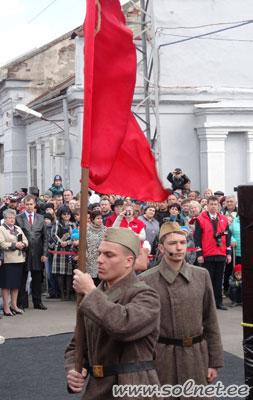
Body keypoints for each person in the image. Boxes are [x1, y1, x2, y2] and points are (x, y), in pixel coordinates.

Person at [64, 227, 161, 399]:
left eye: (109, 255)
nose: (100, 260)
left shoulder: (146, 295)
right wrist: (74, 369)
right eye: (100, 253)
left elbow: (123, 326)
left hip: (134, 389)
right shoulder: (93, 296)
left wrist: (91, 293)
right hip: (97, 389)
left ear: (128, 261)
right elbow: (77, 344)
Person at [140, 222, 224, 390]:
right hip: (162, 360)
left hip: (196, 358)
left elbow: (210, 321)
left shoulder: (201, 275)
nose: (179, 248)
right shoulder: (146, 280)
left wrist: (214, 361)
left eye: (182, 243)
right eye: (172, 243)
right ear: (162, 248)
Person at [195, 196, 232, 310]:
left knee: (218, 279)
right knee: (208, 280)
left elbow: (228, 237)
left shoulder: (224, 219)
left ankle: (218, 302)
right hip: (207, 253)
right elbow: (197, 237)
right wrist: (199, 254)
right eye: (211, 204)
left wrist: (228, 252)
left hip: (220, 253)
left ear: (218, 205)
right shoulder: (200, 219)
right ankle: (208, 304)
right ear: (207, 205)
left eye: (215, 204)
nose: (213, 206)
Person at [16, 195, 48, 310]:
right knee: (22, 279)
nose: (29, 207)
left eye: (31, 204)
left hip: (38, 253)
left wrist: (45, 254)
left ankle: (37, 302)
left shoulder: (40, 218)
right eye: (27, 204)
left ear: (34, 204)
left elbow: (45, 238)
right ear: (24, 205)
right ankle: (21, 302)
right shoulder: (18, 218)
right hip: (23, 253)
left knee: (37, 279)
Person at [0, 209, 28, 315]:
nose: (12, 219)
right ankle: (6, 307)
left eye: (13, 217)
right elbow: (2, 243)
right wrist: (14, 245)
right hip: (8, 260)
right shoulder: (1, 229)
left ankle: (14, 305)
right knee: (6, 285)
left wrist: (23, 244)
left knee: (16, 284)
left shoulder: (18, 228)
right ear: (5, 219)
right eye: (10, 218)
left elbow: (26, 240)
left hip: (19, 259)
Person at [51, 206, 76, 301]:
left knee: (69, 273)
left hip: (70, 249)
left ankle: (68, 294)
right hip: (59, 249)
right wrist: (61, 242)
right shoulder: (57, 223)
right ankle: (62, 293)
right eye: (64, 214)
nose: (66, 215)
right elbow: (53, 234)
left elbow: (75, 235)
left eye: (68, 214)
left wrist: (68, 242)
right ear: (61, 215)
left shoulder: (73, 224)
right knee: (60, 274)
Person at [86, 211, 107, 286]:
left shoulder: (105, 230)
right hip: (90, 260)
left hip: (102, 259)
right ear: (92, 219)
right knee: (91, 282)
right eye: (98, 218)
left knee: (101, 281)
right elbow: (83, 245)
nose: (100, 220)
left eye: (101, 218)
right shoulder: (87, 230)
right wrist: (87, 255)